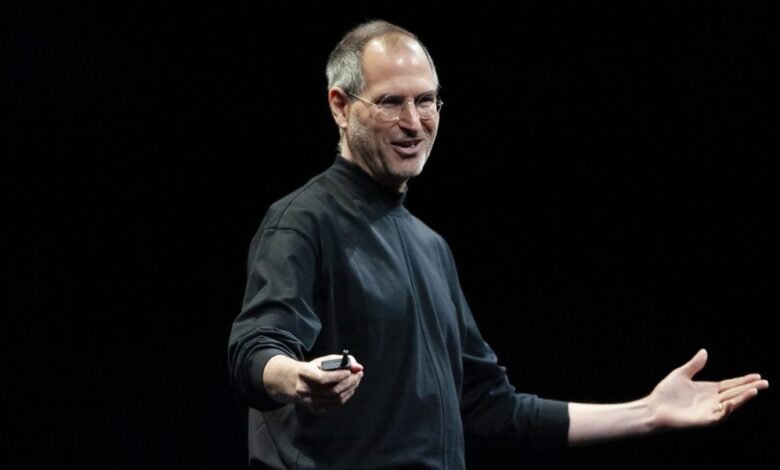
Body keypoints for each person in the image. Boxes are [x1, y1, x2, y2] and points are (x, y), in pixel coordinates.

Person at [228, 20, 768, 469]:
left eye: (427, 101)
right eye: (391, 102)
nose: (414, 123)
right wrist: (293, 377)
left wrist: (648, 411)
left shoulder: (430, 247)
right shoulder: (301, 222)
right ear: (340, 106)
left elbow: (491, 408)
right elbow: (255, 348)